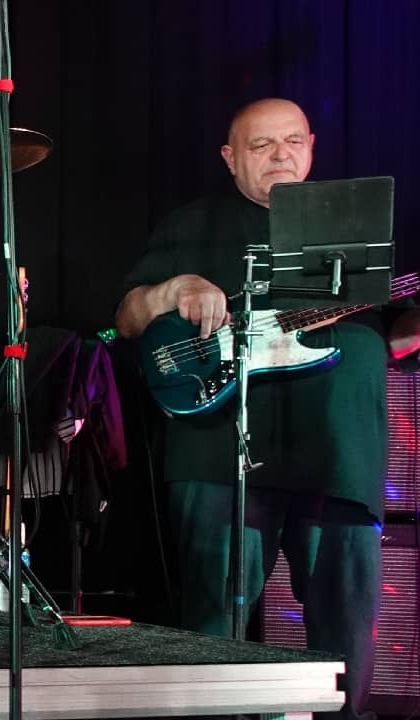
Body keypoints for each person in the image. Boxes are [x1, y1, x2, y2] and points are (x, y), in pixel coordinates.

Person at [114, 97, 420, 720]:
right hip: (219, 450)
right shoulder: (192, 224)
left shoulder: (356, 226)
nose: (281, 155)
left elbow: (398, 337)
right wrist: (173, 289)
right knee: (211, 621)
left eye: (292, 142)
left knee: (344, 627)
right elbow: (125, 318)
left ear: (311, 146)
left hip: (341, 453)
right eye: (261, 145)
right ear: (230, 158)